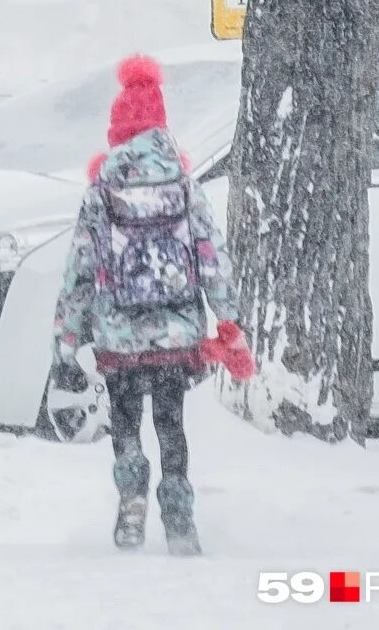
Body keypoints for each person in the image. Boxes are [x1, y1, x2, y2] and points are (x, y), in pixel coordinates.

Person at [51, 56, 247, 556]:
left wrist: (67, 342)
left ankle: (131, 502)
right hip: (176, 332)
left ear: (117, 129)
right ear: (161, 127)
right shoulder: (185, 188)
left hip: (117, 334)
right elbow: (212, 257)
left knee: (126, 419)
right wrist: (229, 322)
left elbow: (78, 270)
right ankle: (179, 512)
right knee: (170, 421)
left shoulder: (101, 192)